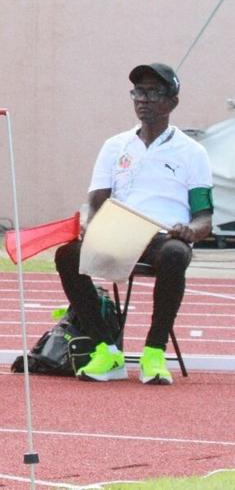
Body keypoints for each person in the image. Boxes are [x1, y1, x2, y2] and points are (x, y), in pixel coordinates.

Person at [55, 63, 213, 385]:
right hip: (120, 232)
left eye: (154, 92)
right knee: (67, 254)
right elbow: (97, 200)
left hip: (162, 236)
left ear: (172, 102)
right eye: (139, 92)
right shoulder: (115, 146)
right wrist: (93, 226)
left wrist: (189, 231)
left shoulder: (192, 152)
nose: (144, 99)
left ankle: (154, 352)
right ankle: (106, 348)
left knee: (175, 254)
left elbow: (204, 218)